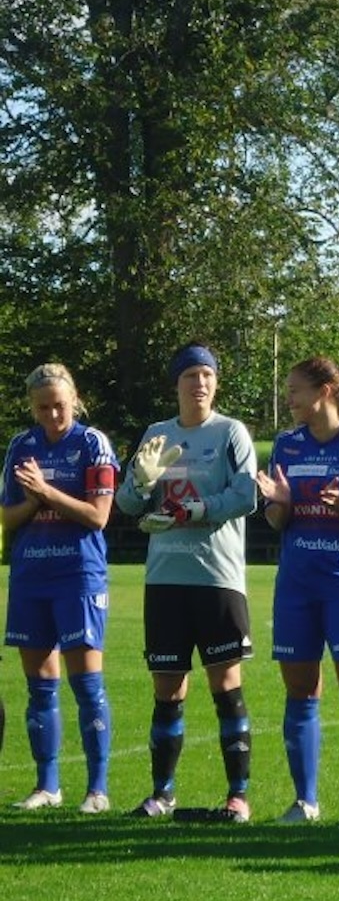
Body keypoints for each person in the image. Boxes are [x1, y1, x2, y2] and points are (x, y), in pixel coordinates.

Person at [115, 343, 258, 820]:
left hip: (217, 578)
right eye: (190, 376)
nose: (200, 383)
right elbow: (128, 505)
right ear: (175, 384)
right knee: (167, 691)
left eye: (207, 375)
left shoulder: (231, 432)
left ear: (216, 383)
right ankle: (162, 794)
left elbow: (245, 496)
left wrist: (198, 510)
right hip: (165, 579)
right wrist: (140, 482)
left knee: (226, 686)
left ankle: (238, 797)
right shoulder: (156, 434)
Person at [255, 358, 339, 828]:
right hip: (296, 583)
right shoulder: (287, 444)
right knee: (300, 688)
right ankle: (304, 801)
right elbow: (278, 521)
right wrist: (281, 504)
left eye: (295, 390)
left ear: (326, 391)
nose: (289, 398)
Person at [3, 364, 120, 813]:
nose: (52, 415)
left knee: (87, 685)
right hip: (31, 575)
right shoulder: (22, 446)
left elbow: (98, 516)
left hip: (78, 576)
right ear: (32, 408)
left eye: (59, 405)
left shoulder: (92, 444)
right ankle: (47, 786)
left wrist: (46, 493)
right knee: (39, 686)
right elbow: (8, 517)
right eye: (42, 408)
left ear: (74, 400)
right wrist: (33, 500)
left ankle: (97, 790)